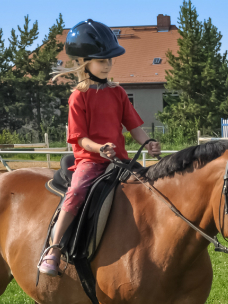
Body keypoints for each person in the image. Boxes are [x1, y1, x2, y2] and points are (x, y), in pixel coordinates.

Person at [38, 19, 161, 276]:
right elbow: (80, 139)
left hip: (120, 161)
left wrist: (147, 142)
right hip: (90, 161)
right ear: (85, 62)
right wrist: (100, 148)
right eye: (102, 60)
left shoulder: (117, 92)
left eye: (110, 60)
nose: (108, 65)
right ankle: (54, 248)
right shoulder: (78, 97)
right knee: (77, 192)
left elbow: (134, 126)